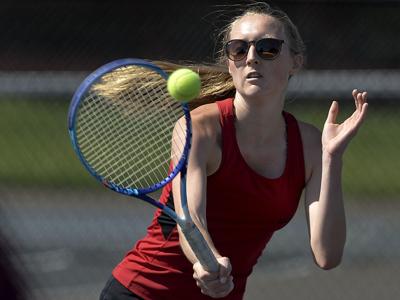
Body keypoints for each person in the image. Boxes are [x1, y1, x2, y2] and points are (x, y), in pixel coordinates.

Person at [100, 2, 368, 299]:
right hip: (142, 292)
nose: (251, 58)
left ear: (295, 61)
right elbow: (193, 219)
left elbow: (327, 255)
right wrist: (208, 261)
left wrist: (332, 158)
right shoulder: (200, 129)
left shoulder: (309, 145)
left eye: (268, 48)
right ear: (230, 63)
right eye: (239, 49)